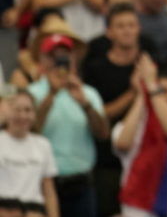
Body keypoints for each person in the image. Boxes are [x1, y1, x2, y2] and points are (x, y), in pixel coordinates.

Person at [27, 21, 109, 217]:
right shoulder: (32, 93)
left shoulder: (88, 93)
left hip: (81, 185)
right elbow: (29, 132)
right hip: (42, 184)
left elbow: (103, 134)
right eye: (53, 56)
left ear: (73, 59)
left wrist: (85, 103)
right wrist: (51, 94)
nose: (59, 61)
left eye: (64, 56)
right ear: (42, 60)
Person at [80, 3, 146, 217]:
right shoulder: (95, 69)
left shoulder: (150, 65)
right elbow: (98, 115)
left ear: (139, 28)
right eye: (120, 26)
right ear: (109, 32)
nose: (127, 31)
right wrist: (133, 93)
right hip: (107, 162)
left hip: (144, 160)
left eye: (131, 25)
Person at [113, 57, 167, 217]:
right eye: (163, 90)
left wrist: (152, 85)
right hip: (136, 211)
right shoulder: (131, 126)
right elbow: (122, 143)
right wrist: (142, 94)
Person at [0, 90, 59, 217]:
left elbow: (49, 191)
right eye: (17, 110)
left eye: (27, 110)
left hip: (33, 210)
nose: (22, 116)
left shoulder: (43, 145)